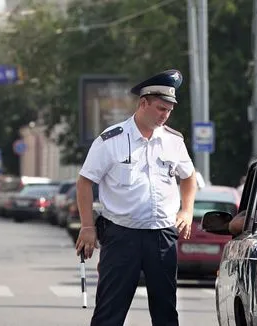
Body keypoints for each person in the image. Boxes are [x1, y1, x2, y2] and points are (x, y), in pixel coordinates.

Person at [75, 69, 197, 326]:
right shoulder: (112, 140)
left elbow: (189, 177)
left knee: (166, 312)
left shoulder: (173, 141)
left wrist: (186, 211)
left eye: (169, 111)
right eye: (161, 108)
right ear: (143, 103)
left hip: (162, 235)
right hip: (122, 236)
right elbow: (85, 181)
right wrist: (87, 226)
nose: (165, 115)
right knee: (110, 311)